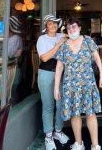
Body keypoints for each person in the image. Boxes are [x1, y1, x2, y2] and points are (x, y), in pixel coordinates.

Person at [54, 17, 102, 150]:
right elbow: (59, 68)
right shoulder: (64, 45)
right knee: (75, 114)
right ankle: (79, 143)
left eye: (74, 27)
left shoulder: (88, 40)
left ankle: (95, 145)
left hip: (87, 83)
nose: (71, 30)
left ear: (79, 28)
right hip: (70, 85)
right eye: (69, 28)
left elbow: (97, 58)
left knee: (91, 113)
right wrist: (56, 87)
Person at [36, 14, 69, 150]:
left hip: (62, 74)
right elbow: (44, 58)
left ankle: (58, 131)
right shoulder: (42, 39)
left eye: (55, 23)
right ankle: (48, 136)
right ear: (46, 26)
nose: (53, 25)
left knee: (61, 104)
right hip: (46, 73)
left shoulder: (62, 36)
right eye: (50, 23)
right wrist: (59, 45)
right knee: (48, 105)